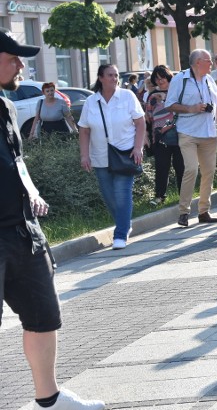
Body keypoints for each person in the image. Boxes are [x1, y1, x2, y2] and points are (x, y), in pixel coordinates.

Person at [0, 31, 106, 410]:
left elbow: (15, 161)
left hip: (21, 230)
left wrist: (31, 192)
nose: (21, 65)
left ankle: (49, 400)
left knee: (43, 315)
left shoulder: (6, 107)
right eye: (13, 57)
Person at [78, 64, 146, 249]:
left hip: (126, 154)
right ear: (100, 78)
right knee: (109, 196)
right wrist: (84, 155)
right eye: (110, 75)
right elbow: (84, 131)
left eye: (116, 75)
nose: (115, 78)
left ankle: (120, 234)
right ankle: (125, 224)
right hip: (100, 157)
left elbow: (140, 123)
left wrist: (138, 147)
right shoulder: (91, 102)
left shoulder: (127, 96)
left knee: (122, 194)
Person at [165, 49, 217, 227]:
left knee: (209, 172)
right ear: (197, 62)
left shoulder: (209, 79)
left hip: (209, 132)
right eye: (208, 60)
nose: (212, 63)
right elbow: (169, 105)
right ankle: (184, 212)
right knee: (191, 169)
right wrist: (191, 108)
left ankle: (204, 211)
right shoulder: (181, 79)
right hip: (187, 132)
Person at [146, 66, 184, 205]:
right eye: (156, 78)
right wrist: (148, 136)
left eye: (162, 76)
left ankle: (184, 195)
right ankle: (159, 196)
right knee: (161, 168)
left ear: (168, 76)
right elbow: (148, 118)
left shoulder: (178, 92)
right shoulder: (152, 96)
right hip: (160, 137)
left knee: (181, 167)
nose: (160, 80)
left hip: (180, 135)